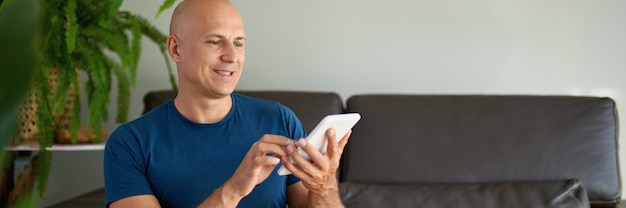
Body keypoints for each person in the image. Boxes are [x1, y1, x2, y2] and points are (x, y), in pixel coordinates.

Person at [103, 0, 351, 207]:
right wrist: (234, 189)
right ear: (176, 49)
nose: (232, 57)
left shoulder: (279, 120)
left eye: (239, 43)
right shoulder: (129, 143)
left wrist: (324, 186)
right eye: (214, 41)